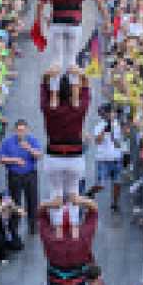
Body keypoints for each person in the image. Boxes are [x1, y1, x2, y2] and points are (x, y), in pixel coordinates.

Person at [40, 66, 91, 200]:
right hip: (75, 157)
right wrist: (81, 74)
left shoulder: (49, 109)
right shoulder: (79, 109)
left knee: (55, 194)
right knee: (74, 194)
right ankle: (73, 219)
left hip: (53, 156)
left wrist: (47, 75)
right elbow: (86, 89)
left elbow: (44, 90)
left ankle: (55, 219)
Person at [40, 195, 102, 285]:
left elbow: (40, 212)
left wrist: (51, 203)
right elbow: (94, 210)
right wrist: (80, 200)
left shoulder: (50, 238)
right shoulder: (83, 237)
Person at [0, 121, 44, 233]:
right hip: (15, 175)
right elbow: (1, 158)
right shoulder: (8, 142)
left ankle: (33, 225)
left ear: (27, 130)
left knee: (32, 199)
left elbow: (40, 155)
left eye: (23, 130)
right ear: (15, 131)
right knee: (15, 201)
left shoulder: (32, 140)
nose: (21, 133)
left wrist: (29, 149)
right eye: (19, 130)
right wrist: (14, 160)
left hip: (30, 174)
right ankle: (14, 226)